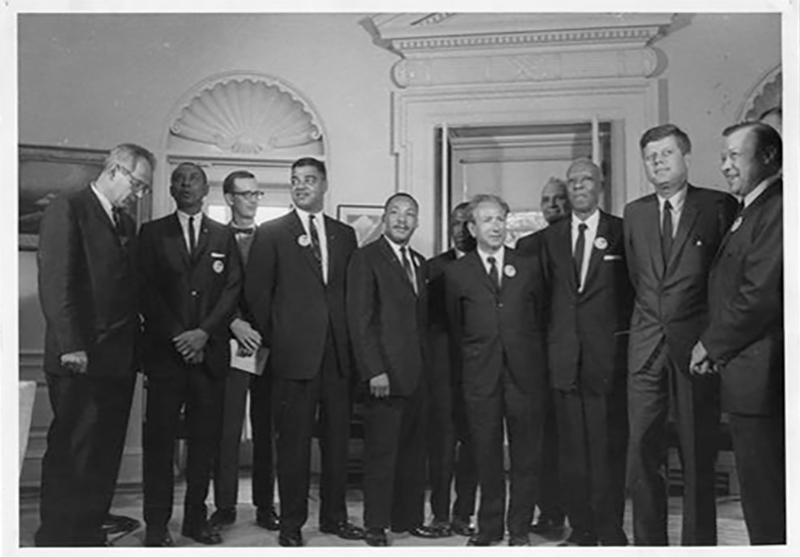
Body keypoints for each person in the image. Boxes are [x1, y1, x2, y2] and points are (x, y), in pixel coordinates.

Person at [35, 144, 154, 547]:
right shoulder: (69, 207)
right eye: (137, 185)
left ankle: (88, 531)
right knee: (74, 450)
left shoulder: (124, 222)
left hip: (118, 359)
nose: (138, 195)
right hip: (80, 357)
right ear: (116, 170)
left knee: (104, 452)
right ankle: (57, 537)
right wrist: (71, 344)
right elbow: (56, 281)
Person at [624, 124, 737, 545]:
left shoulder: (717, 206)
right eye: (651, 156)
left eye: (666, 154)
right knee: (642, 455)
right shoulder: (634, 213)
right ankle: (650, 546)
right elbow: (639, 278)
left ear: (685, 157)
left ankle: (697, 546)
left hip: (696, 350)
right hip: (645, 350)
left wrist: (711, 340)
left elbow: (723, 281)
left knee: (696, 454)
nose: (658, 162)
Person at [245, 157, 363, 547]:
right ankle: (291, 524)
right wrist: (279, 339)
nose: (301, 186)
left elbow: (350, 295)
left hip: (337, 356)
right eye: (295, 181)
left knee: (336, 442)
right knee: (293, 444)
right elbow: (257, 295)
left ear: (324, 185)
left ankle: (333, 518)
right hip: (293, 355)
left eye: (309, 180)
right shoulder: (272, 232)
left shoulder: (344, 235)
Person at [138, 162, 242, 546]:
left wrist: (203, 333)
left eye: (193, 179)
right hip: (167, 357)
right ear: (170, 188)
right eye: (179, 179)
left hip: (210, 356)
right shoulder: (152, 234)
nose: (186, 185)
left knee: (204, 444)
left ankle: (195, 520)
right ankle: (155, 524)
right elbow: (145, 290)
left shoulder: (223, 235)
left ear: (206, 188)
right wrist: (180, 335)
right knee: (160, 444)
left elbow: (232, 289)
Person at [690, 122, 784, 544]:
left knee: (769, 501)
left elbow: (759, 294)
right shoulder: (749, 208)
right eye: (723, 156)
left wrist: (711, 343)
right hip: (748, 375)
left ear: (766, 157)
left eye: (734, 156)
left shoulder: (778, 207)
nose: (725, 166)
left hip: (764, 378)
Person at [445, 194, 547, 547]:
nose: (496, 226)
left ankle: (519, 528)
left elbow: (541, 319)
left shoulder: (529, 265)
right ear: (472, 228)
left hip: (524, 377)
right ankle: (488, 528)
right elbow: (455, 329)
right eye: (487, 220)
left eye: (500, 218)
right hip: (480, 377)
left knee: (525, 455)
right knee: (485, 455)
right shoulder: (457, 273)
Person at [539, 159, 632, 546]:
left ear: (600, 186)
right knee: (571, 454)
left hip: (606, 362)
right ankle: (581, 529)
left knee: (607, 451)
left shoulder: (622, 233)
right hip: (563, 363)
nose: (578, 187)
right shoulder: (550, 239)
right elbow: (544, 301)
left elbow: (633, 294)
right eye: (573, 181)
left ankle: (610, 530)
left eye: (586, 180)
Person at [347, 193, 438, 546]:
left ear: (417, 221)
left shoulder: (419, 262)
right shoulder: (365, 258)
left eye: (410, 214)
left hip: (417, 376)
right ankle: (375, 525)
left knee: (414, 455)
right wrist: (373, 370)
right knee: (382, 456)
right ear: (384, 218)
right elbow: (360, 319)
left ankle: (408, 519)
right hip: (384, 376)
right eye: (395, 213)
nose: (402, 219)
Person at [208, 170, 278, 531]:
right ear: (229, 198)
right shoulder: (214, 236)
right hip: (229, 344)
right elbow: (209, 290)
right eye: (245, 194)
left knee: (267, 430)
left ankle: (266, 506)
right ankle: (224, 505)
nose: (252, 200)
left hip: (267, 347)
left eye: (257, 193)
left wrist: (266, 333)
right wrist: (234, 322)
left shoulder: (271, 237)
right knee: (227, 428)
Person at [515, 176, 570, 537]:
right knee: (540, 443)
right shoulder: (527, 245)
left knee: (570, 442)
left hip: (573, 356)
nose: (553, 205)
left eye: (559, 198)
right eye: (546, 199)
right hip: (535, 359)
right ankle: (548, 513)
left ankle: (574, 515)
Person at [424, 202, 478, 538]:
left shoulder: (487, 265)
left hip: (476, 372)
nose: (460, 229)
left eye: (467, 223)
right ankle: (440, 515)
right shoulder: (432, 268)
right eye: (456, 223)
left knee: (472, 445)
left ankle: (464, 514)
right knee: (441, 446)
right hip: (442, 372)